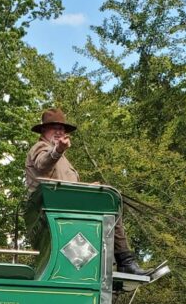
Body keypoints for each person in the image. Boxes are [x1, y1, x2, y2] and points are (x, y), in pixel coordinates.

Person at [25, 108, 148, 276]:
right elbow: (42, 164)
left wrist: (87, 187)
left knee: (110, 199)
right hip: (51, 212)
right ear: (44, 130)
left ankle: (109, 263)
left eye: (62, 129)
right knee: (108, 203)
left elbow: (63, 183)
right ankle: (124, 261)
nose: (59, 132)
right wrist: (58, 151)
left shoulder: (63, 159)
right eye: (55, 127)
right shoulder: (41, 147)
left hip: (63, 208)